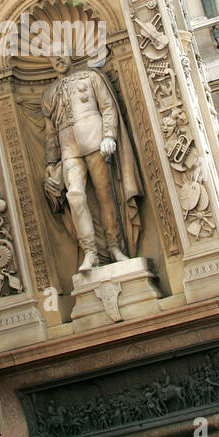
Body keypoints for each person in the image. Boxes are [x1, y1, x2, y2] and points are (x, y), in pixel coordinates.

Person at [41, 52, 141, 273]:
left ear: (69, 55)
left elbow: (107, 107)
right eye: (52, 57)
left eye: (61, 54)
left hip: (95, 140)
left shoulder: (90, 77)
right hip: (69, 148)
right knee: (75, 195)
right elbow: (50, 133)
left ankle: (114, 247)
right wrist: (51, 161)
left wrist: (108, 136)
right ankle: (90, 252)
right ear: (48, 63)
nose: (57, 59)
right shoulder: (48, 95)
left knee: (105, 197)